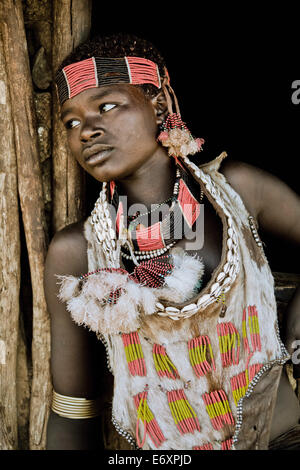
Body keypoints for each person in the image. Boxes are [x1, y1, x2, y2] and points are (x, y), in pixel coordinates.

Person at [45, 33, 300, 450]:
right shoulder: (76, 251)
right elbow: (73, 411)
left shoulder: (238, 191)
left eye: (107, 106)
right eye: (71, 122)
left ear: (159, 104)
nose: (87, 131)